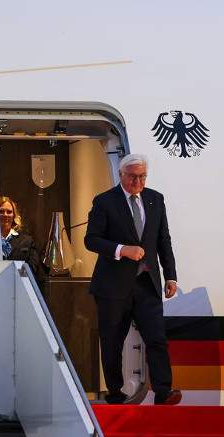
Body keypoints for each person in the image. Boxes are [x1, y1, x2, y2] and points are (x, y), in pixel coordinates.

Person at [84, 153, 181, 405]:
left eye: (142, 177)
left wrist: (170, 275)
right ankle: (115, 393)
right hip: (113, 286)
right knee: (113, 341)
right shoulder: (105, 201)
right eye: (133, 177)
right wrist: (122, 250)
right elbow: (91, 239)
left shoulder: (155, 200)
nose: (138, 181)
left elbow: (163, 240)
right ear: (121, 175)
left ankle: (163, 391)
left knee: (157, 337)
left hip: (147, 283)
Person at [0, 196, 41, 279]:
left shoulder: (27, 241)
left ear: (14, 215)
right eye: (1, 211)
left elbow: (33, 267)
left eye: (9, 212)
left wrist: (14, 274)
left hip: (18, 286)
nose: (5, 214)